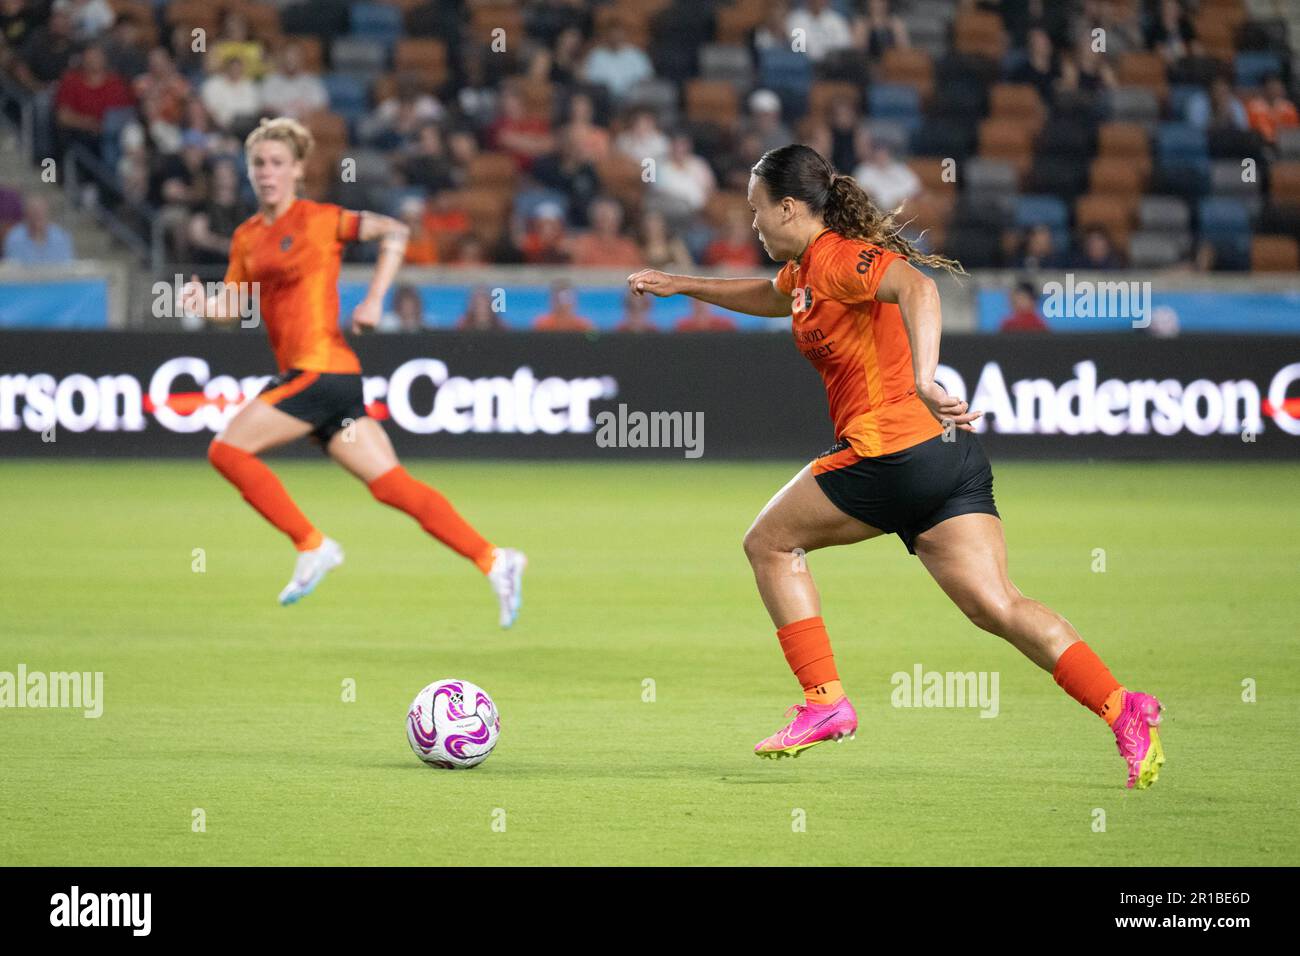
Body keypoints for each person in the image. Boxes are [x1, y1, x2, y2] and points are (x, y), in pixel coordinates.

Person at [625, 144, 1165, 789]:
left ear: (791, 208)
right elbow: (772, 299)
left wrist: (925, 378)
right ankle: (1122, 707)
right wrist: (682, 284)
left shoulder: (833, 258)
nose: (753, 223)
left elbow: (917, 285)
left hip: (892, 450)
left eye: (757, 210)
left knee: (768, 544)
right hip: (946, 459)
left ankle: (825, 701)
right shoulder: (804, 271)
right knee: (999, 605)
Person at [179, 117, 526, 625]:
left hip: (319, 370)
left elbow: (397, 232)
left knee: (227, 450)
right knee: (390, 485)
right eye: (259, 164)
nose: (267, 172)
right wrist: (199, 304)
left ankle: (311, 544)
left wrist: (374, 300)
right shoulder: (248, 237)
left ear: (298, 170)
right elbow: (232, 306)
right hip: (329, 380)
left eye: (278, 163)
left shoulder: (321, 219)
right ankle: (494, 559)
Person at [2, 194, 74, 263]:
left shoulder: (61, 237)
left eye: (41, 213)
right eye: (34, 213)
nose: (38, 215)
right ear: (27, 214)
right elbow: (12, 269)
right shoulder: (14, 238)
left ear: (47, 213)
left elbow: (67, 267)